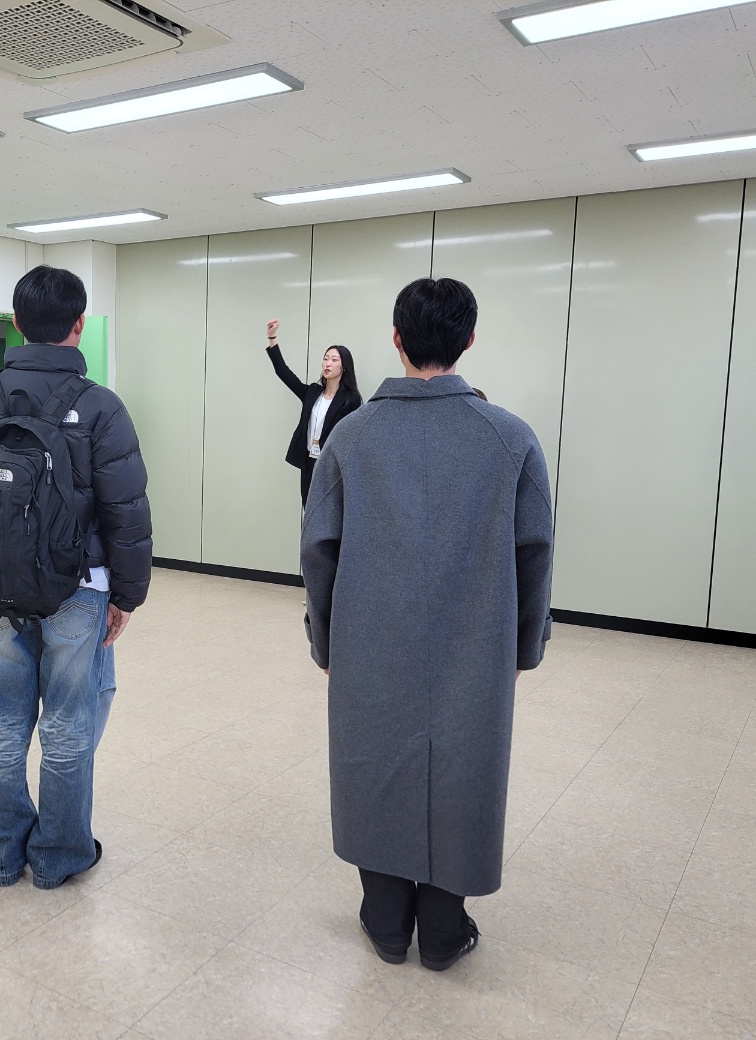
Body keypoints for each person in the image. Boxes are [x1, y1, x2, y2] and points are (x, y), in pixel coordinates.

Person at [301, 277, 554, 972]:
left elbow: (318, 551)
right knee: (462, 764)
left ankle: (385, 919)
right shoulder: (509, 438)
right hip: (475, 645)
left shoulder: (351, 436)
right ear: (469, 339)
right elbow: (534, 552)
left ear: (395, 339)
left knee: (373, 759)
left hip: (367, 639)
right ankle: (443, 929)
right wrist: (523, 647)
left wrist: (325, 640)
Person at [0, 265, 152, 889]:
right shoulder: (101, 407)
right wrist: (127, 594)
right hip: (78, 588)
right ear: (78, 324)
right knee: (68, 721)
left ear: (15, 322)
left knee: (3, 716)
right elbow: (126, 509)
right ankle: (58, 855)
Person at [264, 319, 363, 506]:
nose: (328, 363)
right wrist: (272, 338)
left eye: (334, 360)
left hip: (332, 466)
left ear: (343, 367)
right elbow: (283, 372)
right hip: (308, 462)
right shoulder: (312, 392)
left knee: (328, 512)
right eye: (325, 358)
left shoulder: (351, 400)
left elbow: (353, 439)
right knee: (308, 509)